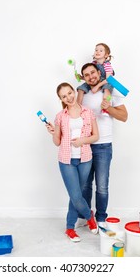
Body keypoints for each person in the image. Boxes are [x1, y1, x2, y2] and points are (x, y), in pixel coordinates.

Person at [46, 82, 99, 242]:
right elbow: (57, 142)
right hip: (66, 159)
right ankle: (89, 216)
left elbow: (95, 136)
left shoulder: (88, 112)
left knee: (75, 195)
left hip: (85, 159)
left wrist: (82, 140)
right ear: (61, 99)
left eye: (69, 93)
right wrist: (53, 133)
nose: (68, 97)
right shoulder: (60, 116)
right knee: (76, 196)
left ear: (73, 92)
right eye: (64, 96)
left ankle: (70, 228)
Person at [77, 63, 128, 227]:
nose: (91, 76)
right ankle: (85, 217)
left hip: (103, 145)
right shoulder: (82, 94)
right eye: (86, 75)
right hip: (85, 144)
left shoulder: (111, 90)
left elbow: (124, 116)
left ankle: (100, 219)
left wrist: (109, 108)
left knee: (102, 186)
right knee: (84, 185)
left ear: (99, 72)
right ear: (83, 78)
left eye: (93, 72)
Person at [77, 43, 114, 115]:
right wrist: (81, 77)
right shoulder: (93, 63)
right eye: (96, 50)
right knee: (81, 89)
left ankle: (105, 109)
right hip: (97, 81)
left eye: (101, 50)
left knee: (107, 90)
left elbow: (109, 79)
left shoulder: (107, 65)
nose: (97, 52)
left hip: (106, 81)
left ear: (106, 55)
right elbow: (91, 78)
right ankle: (78, 109)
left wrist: (97, 86)